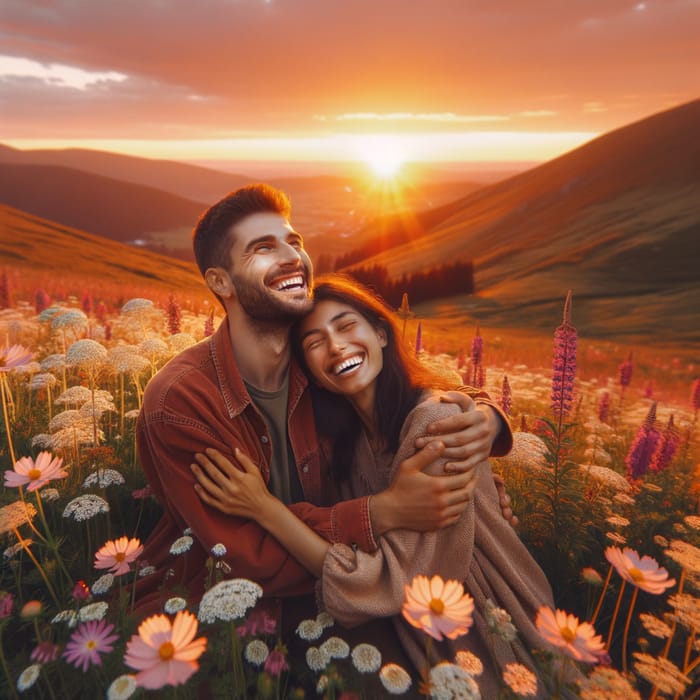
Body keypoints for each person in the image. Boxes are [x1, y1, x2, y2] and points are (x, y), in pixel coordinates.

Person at [135, 184, 512, 642]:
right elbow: (244, 555)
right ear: (220, 282)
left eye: (294, 242)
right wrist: (381, 514)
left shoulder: (321, 371)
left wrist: (486, 422)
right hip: (222, 624)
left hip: (346, 607)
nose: (292, 256)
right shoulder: (180, 403)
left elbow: (408, 396)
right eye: (263, 248)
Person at [192, 275, 555, 697]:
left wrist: (263, 507)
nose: (336, 346)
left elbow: (382, 579)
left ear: (381, 334)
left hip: (481, 620)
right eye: (314, 342)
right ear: (311, 373)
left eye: (347, 326)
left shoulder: (434, 424)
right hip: (416, 616)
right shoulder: (347, 446)